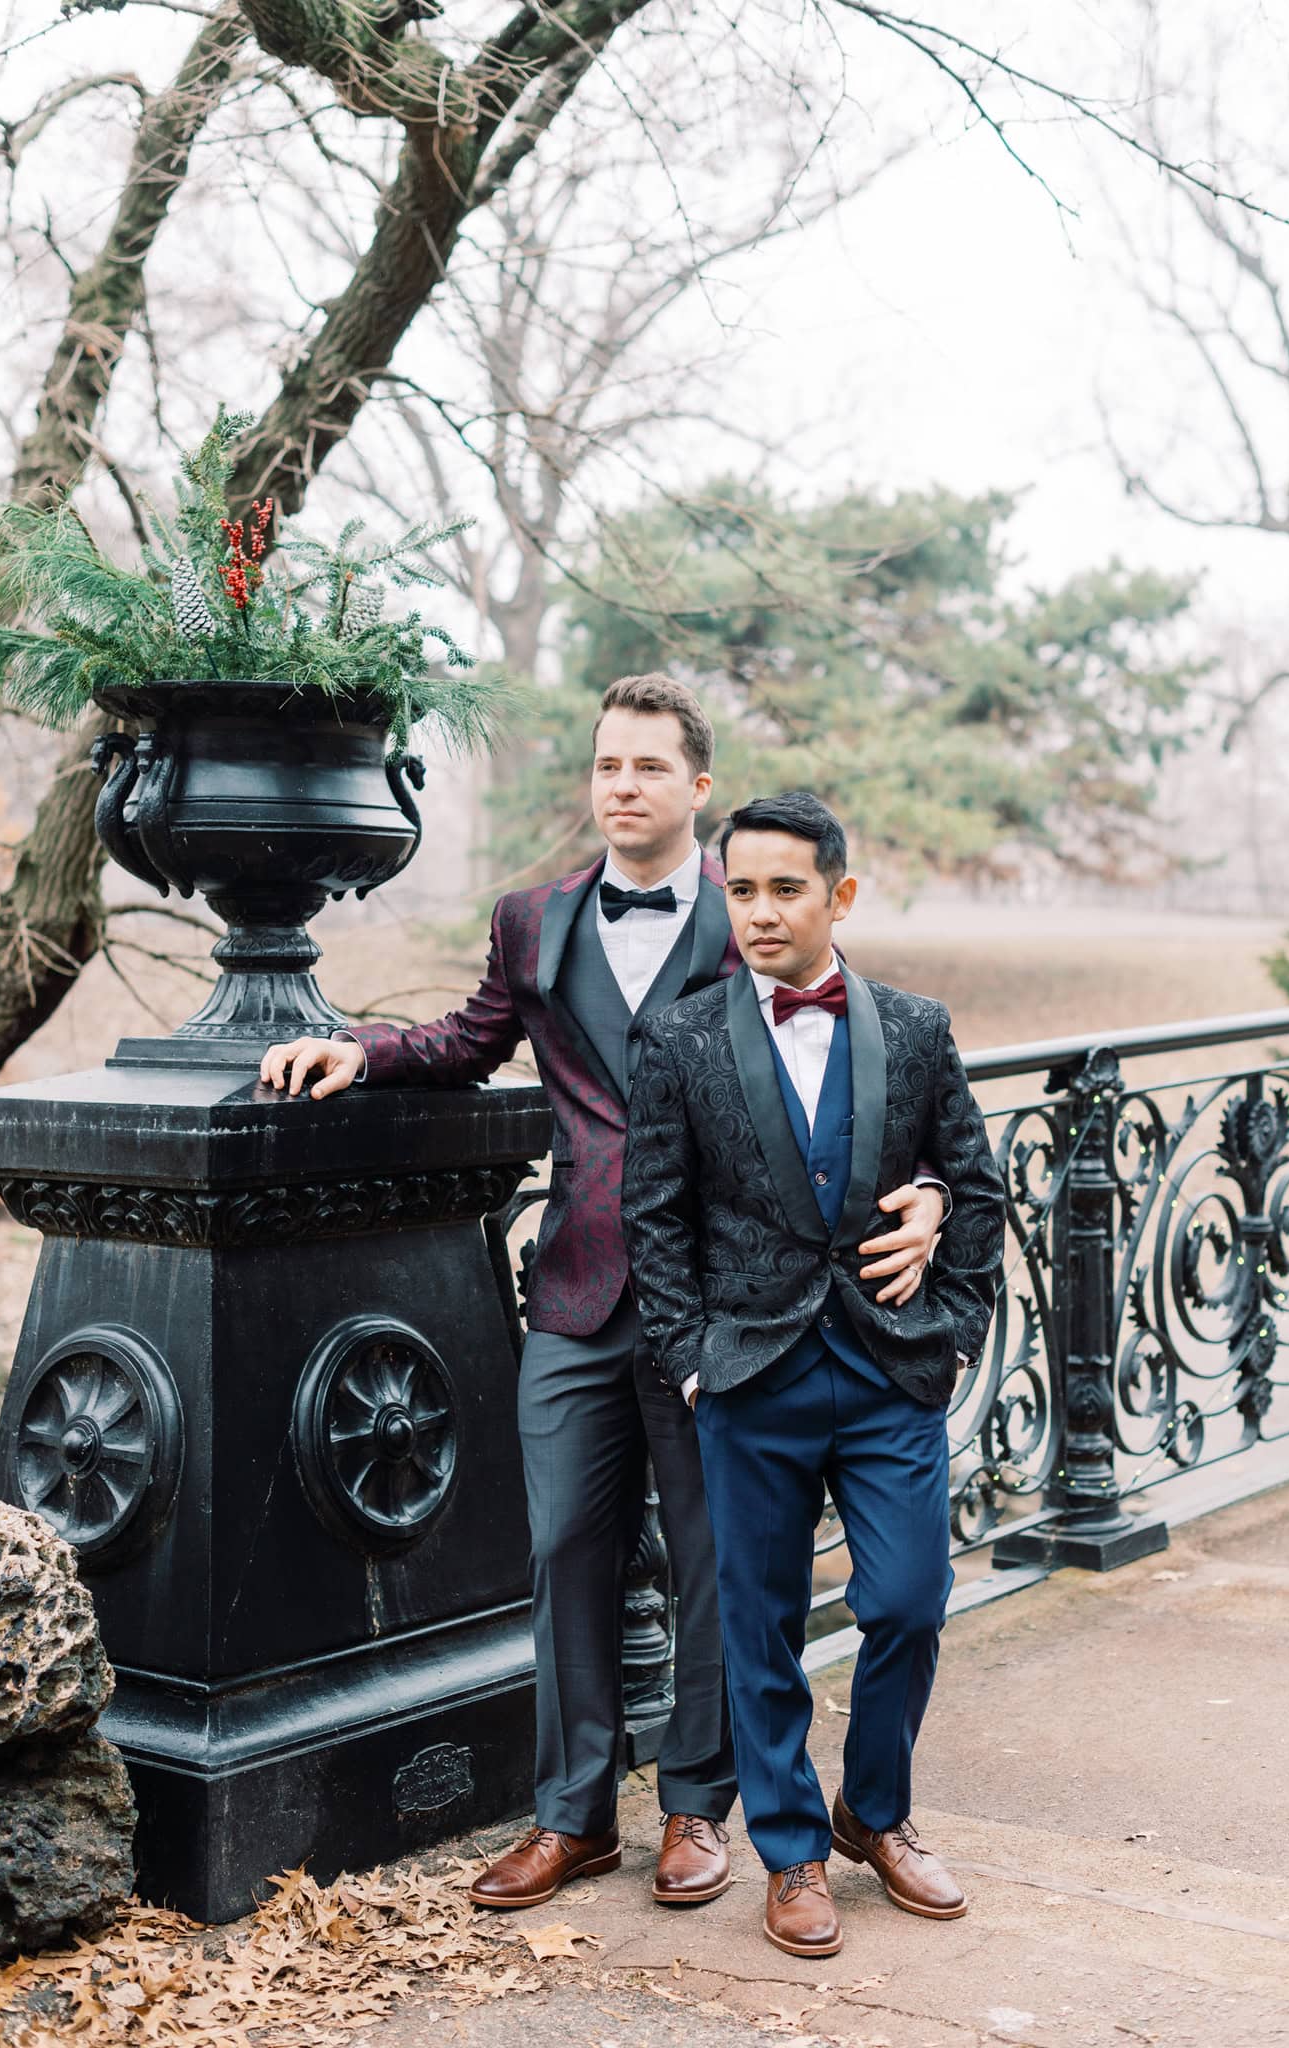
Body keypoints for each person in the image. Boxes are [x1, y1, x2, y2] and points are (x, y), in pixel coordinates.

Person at [260, 682, 948, 1913]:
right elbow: (472, 1039)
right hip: (576, 1288)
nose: (622, 784)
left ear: (698, 787)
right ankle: (571, 1816)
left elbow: (856, 1077)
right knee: (564, 1546)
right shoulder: (533, 919)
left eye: (648, 766)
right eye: (605, 764)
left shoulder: (758, 909)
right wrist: (363, 1047)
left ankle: (696, 1806)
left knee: (717, 1564)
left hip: (730, 1307)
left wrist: (934, 1189)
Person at [621, 790, 1005, 1958]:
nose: (760, 911)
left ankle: (872, 1812)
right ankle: (791, 1851)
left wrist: (952, 1331)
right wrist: (692, 1364)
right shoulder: (681, 1038)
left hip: (890, 1370)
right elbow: (654, 1218)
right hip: (748, 1377)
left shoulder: (918, 1027)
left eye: (786, 888)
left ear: (839, 895)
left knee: (908, 1599)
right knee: (758, 1623)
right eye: (740, 888)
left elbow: (974, 1190)